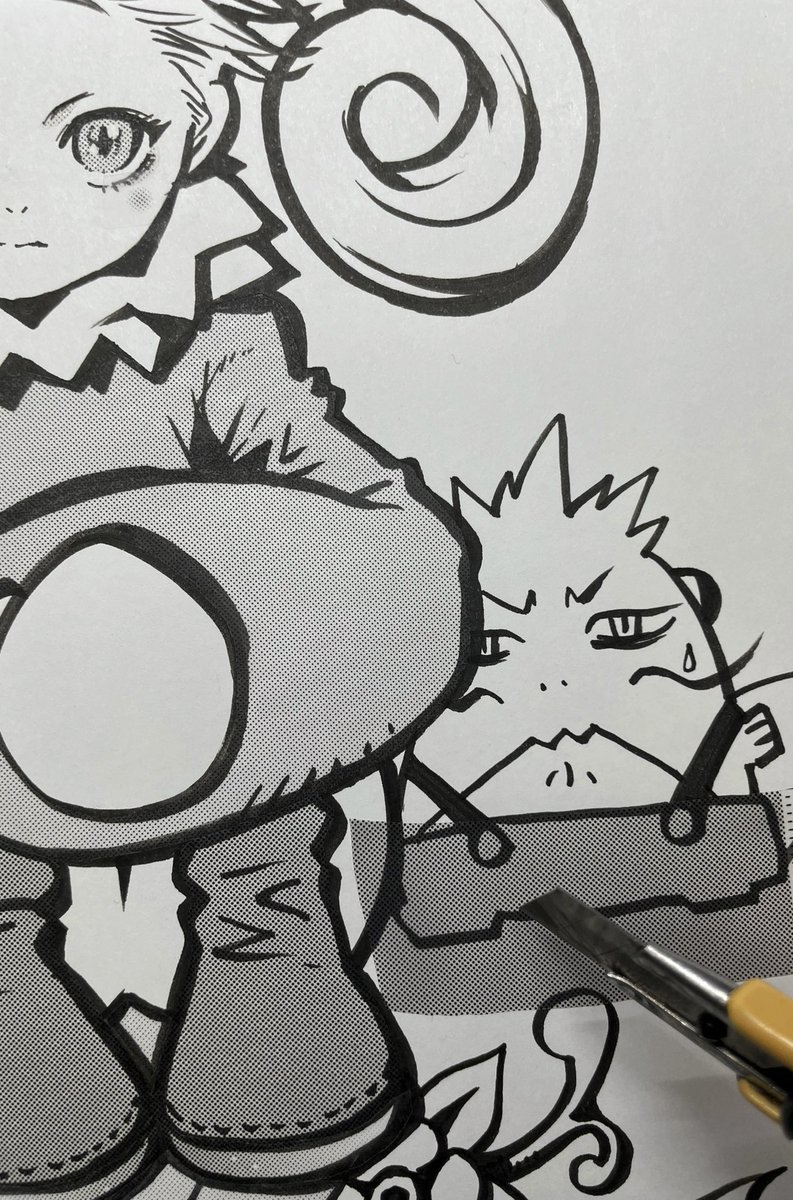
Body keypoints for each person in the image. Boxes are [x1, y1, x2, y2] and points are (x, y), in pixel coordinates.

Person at [0, 1, 478, 1194]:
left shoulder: (212, 336)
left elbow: (337, 488)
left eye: (103, 140)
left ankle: (269, 970)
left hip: (215, 684)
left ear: (199, 125)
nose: (19, 201)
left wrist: (369, 564)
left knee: (262, 842)